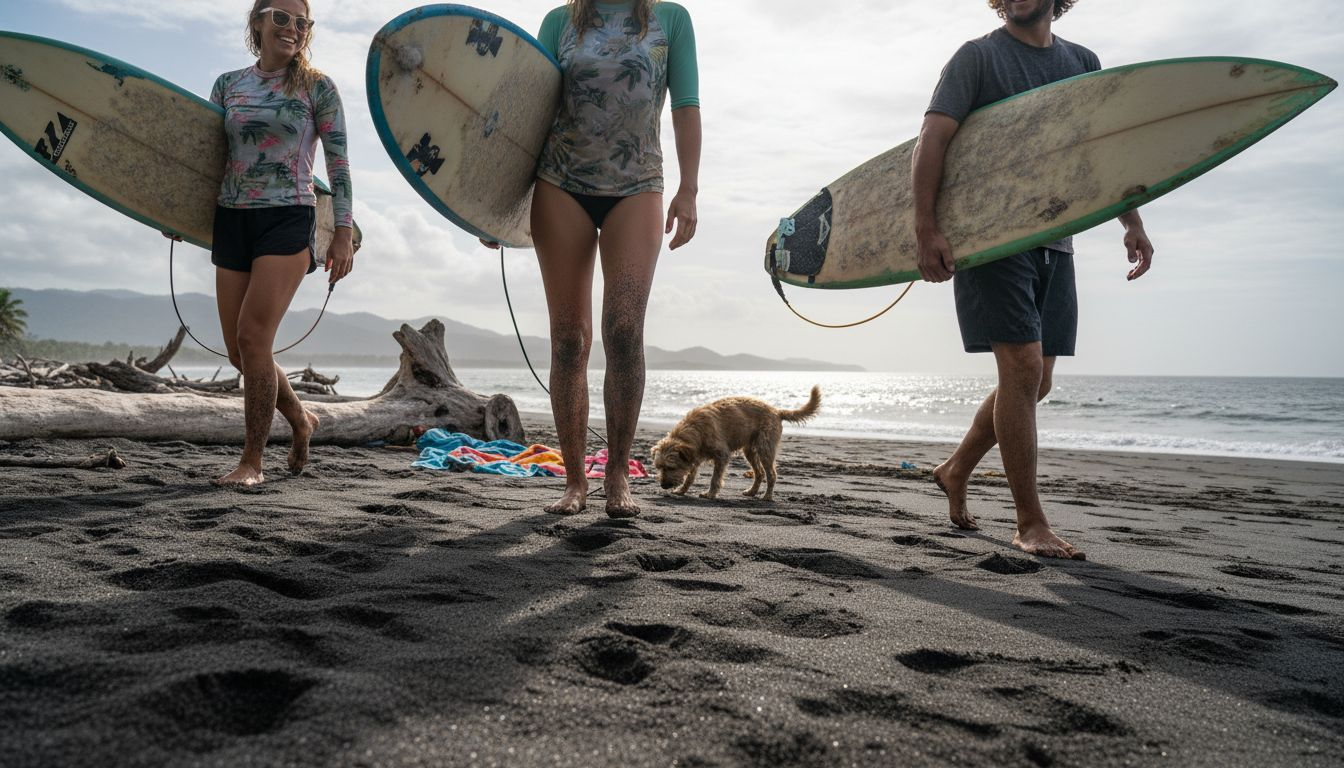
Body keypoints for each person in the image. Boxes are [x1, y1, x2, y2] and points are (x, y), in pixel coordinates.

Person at [913, 0, 1154, 559]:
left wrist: (1133, 222)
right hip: (991, 240)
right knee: (1020, 369)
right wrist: (926, 229)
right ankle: (1029, 522)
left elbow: (1100, 155)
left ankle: (955, 470)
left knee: (1036, 383)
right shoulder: (977, 58)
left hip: (1057, 241)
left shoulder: (1082, 61)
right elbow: (933, 140)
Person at [486, 0, 701, 518]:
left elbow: (686, 105)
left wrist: (689, 188)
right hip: (561, 184)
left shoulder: (670, 19)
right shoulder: (561, 22)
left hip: (638, 186)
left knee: (624, 330)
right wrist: (493, 203)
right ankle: (576, 480)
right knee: (568, 340)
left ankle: (618, 473)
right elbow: (528, 114)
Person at [208, 0, 354, 486]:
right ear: (258, 21)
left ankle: (252, 460)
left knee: (254, 337)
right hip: (231, 217)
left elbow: (338, 165)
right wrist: (172, 215)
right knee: (240, 351)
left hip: (289, 216)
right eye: (282, 17)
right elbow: (206, 158)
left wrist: (343, 233)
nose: (293, 29)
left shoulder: (317, 87)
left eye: (302, 22)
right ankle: (301, 419)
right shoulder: (228, 85)